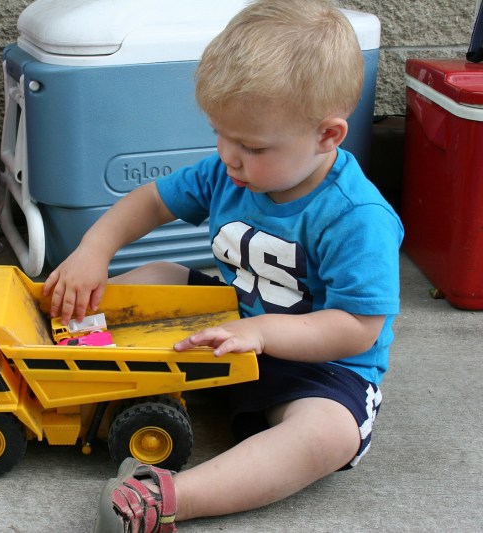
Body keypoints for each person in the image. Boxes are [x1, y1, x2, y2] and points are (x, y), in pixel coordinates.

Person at [41, 0, 403, 531]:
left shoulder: (357, 217)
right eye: (220, 133)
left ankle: (169, 498)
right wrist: (93, 251)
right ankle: (68, 349)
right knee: (160, 274)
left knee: (328, 434)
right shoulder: (228, 170)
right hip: (223, 329)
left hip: (318, 369)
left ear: (328, 135)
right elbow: (151, 203)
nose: (228, 156)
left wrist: (261, 332)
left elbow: (357, 328)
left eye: (251, 145)